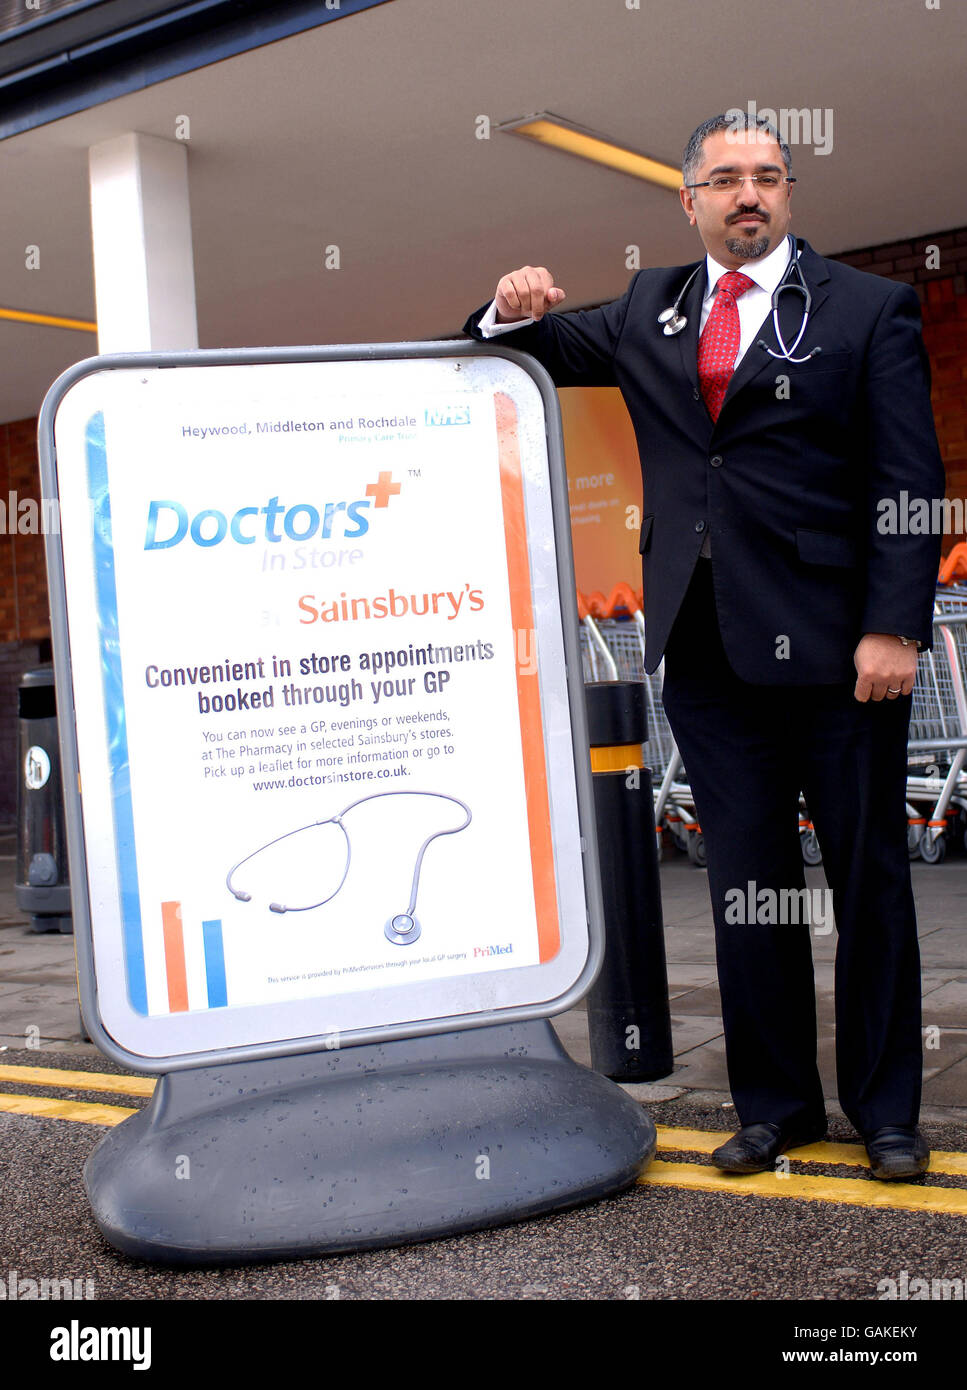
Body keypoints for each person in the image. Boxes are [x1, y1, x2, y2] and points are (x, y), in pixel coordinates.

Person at [463, 111, 945, 1181]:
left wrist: (894, 626)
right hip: (707, 651)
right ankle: (776, 1107)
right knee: (746, 885)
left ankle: (886, 1113)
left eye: (768, 177)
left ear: (787, 195)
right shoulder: (650, 308)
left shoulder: (869, 310)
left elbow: (909, 479)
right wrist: (508, 306)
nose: (749, 194)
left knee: (866, 882)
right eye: (725, 178)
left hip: (839, 654)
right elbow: (514, 345)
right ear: (687, 201)